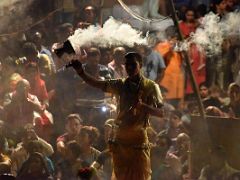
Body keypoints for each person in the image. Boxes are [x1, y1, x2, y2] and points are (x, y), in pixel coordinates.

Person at [69, 51, 163, 179]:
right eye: (127, 65)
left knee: (141, 174)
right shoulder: (120, 84)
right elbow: (97, 83)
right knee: (120, 175)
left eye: (133, 65)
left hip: (139, 138)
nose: (129, 68)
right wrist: (81, 72)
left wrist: (143, 107)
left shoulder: (151, 86)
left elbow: (161, 112)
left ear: (140, 64)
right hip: (121, 137)